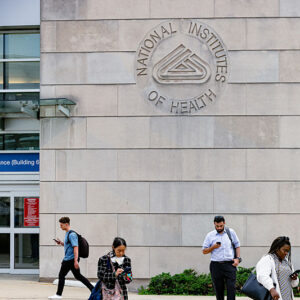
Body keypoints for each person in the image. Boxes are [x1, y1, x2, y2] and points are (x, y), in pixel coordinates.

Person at [48, 216, 94, 299]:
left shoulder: (72, 234)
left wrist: (76, 261)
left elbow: (75, 247)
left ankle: (58, 294)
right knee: (78, 276)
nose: (60, 226)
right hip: (70, 259)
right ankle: (93, 289)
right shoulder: (67, 233)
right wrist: (61, 243)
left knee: (61, 275)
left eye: (61, 225)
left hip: (70, 259)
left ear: (66, 224)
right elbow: (69, 245)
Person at [202, 216, 242, 300]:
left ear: (224, 223)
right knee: (218, 290)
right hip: (216, 265)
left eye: (221, 226)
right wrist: (213, 247)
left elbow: (237, 245)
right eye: (217, 226)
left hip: (230, 265)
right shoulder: (210, 235)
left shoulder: (231, 232)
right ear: (214, 224)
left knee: (231, 289)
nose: (219, 228)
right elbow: (204, 251)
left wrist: (237, 259)